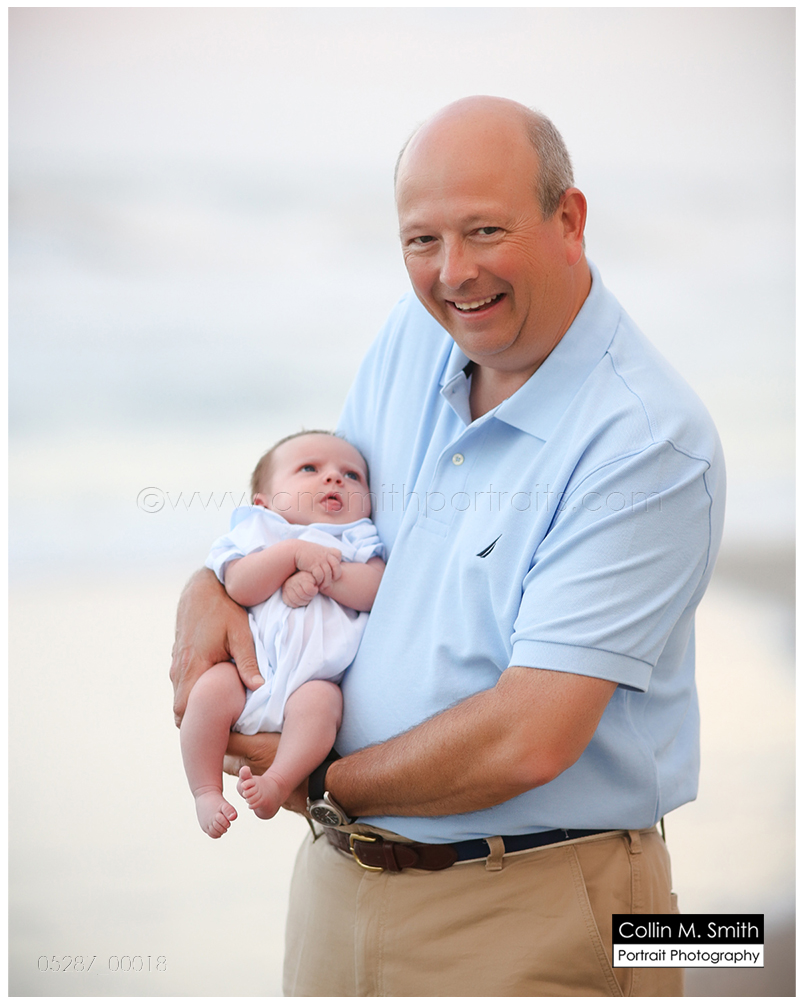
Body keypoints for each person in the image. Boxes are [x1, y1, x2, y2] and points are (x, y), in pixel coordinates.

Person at [170, 96, 725, 996]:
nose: (452, 273)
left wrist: (318, 781)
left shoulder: (648, 442)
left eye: (485, 230)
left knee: (736, 947)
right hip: (337, 883)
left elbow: (526, 739)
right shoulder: (412, 334)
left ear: (569, 219)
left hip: (548, 907)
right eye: (421, 241)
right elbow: (319, 520)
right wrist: (209, 585)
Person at [179, 431, 385, 837]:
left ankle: (278, 782)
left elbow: (374, 590)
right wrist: (292, 556)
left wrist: (325, 576)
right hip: (247, 675)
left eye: (352, 475)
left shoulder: (359, 538)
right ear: (264, 501)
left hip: (311, 682)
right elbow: (239, 585)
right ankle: (205, 789)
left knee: (323, 704)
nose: (334, 479)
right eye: (310, 468)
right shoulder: (258, 532)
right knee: (208, 691)